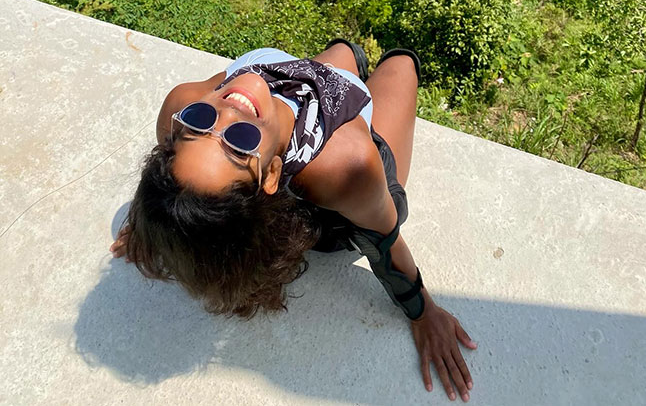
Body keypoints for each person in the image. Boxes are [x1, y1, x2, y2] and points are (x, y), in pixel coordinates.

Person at [110, 40, 477, 401]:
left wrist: (158, 227)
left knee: (342, 53)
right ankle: (381, 58)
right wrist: (422, 311)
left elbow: (172, 186)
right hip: (343, 152)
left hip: (301, 80)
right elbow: (382, 235)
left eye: (200, 121)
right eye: (240, 141)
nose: (229, 110)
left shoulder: (183, 107)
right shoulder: (345, 166)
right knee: (401, 65)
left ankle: (352, 54)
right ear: (271, 173)